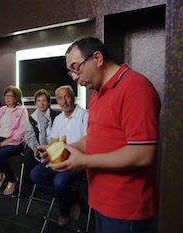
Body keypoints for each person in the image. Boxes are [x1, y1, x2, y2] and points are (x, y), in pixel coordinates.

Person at [48, 37, 161, 233]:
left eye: (76, 68)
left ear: (98, 58)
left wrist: (84, 161)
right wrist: (69, 148)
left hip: (126, 208)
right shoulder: (98, 94)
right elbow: (94, 138)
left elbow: (144, 154)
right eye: (71, 71)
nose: (74, 77)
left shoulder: (136, 88)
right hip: (101, 200)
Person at [30, 85, 89, 226]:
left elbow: (88, 142)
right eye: (60, 98)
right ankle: (71, 199)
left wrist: (64, 149)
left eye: (67, 96)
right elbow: (53, 144)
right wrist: (48, 154)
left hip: (78, 160)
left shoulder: (85, 115)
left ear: (73, 97)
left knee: (59, 181)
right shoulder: (58, 119)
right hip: (59, 158)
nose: (64, 101)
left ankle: (63, 212)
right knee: (35, 174)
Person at [24, 88, 59, 177]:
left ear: (48, 102)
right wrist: (35, 147)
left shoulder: (56, 116)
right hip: (38, 145)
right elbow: (30, 136)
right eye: (39, 101)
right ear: (35, 103)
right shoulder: (32, 118)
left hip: (52, 145)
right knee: (29, 154)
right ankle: (30, 184)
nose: (41, 103)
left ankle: (44, 179)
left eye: (44, 100)